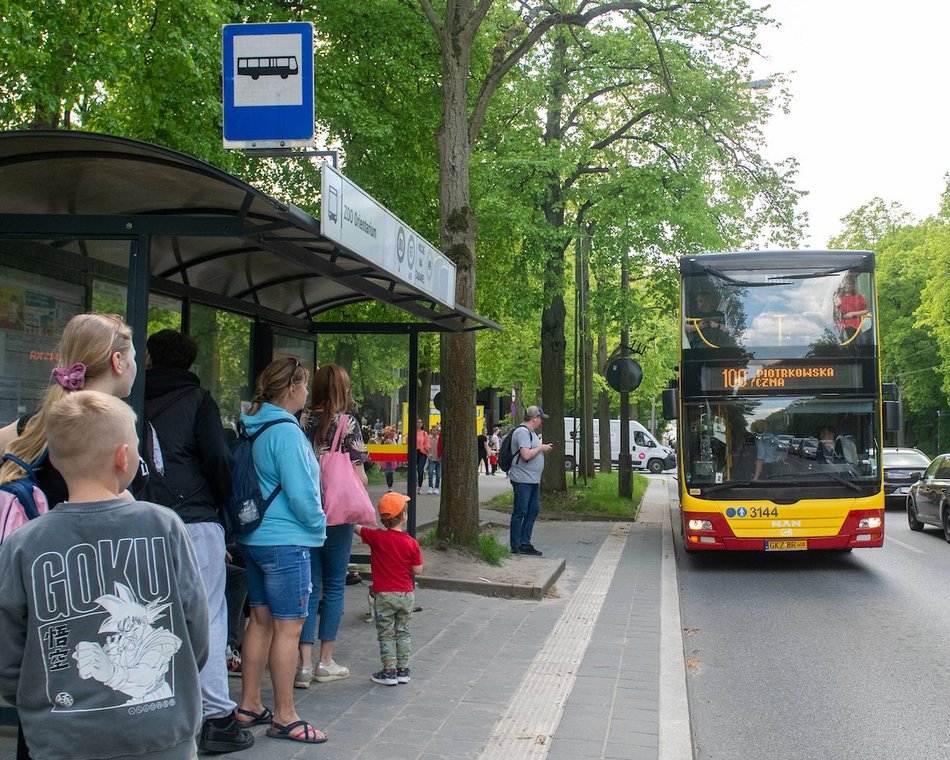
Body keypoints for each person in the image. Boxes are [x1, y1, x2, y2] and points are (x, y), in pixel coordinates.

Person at [0, 390, 209, 760]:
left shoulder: (22, 544)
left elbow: (8, 656)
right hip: (162, 734)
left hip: (62, 739)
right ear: (124, 456)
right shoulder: (164, 525)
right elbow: (196, 632)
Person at [0, 312, 139, 760]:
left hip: (43, 636)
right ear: (118, 362)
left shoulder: (20, 434)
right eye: (134, 356)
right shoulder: (118, 440)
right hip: (101, 628)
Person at [141, 329, 251, 753]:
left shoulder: (130, 397)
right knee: (208, 613)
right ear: (189, 362)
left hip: (141, 518)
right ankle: (216, 718)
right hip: (193, 518)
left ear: (150, 358)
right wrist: (221, 504)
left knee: (148, 617)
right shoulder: (198, 400)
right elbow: (218, 459)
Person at [234, 358, 328, 745]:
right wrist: (319, 526)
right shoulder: (287, 432)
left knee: (259, 621)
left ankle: (249, 704)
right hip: (286, 541)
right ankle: (286, 716)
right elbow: (302, 492)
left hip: (254, 538)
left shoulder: (254, 426)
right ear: (292, 388)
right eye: (304, 385)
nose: (307, 392)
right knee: (290, 627)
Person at [296, 364, 369, 689]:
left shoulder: (300, 419)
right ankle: (326, 661)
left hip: (306, 510)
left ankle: (303, 665)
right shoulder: (347, 423)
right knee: (335, 585)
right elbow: (360, 476)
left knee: (309, 586)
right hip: (337, 517)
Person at [354, 492, 423, 686]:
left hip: (383, 594)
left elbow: (358, 529)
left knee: (385, 633)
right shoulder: (411, 543)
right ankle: (403, 669)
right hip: (405, 594)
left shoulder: (376, 537)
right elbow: (418, 569)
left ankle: (389, 670)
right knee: (403, 631)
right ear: (404, 516)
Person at [508, 406, 553, 556]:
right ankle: (516, 544)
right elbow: (525, 455)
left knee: (533, 510)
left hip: (532, 480)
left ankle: (525, 543)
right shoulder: (522, 432)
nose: (541, 421)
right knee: (521, 511)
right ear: (535, 418)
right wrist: (541, 448)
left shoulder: (531, 433)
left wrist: (541, 447)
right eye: (540, 418)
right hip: (522, 479)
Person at [834, 275, 869, 340]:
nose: (846, 285)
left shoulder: (859, 297)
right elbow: (833, 315)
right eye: (844, 283)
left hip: (856, 328)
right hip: (841, 328)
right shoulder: (839, 298)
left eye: (848, 283)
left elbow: (866, 311)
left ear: (853, 285)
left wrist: (853, 313)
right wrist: (836, 305)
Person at [414, 418, 430, 494]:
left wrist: (428, 452)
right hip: (413, 452)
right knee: (413, 470)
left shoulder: (424, 433)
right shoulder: (412, 432)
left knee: (420, 470)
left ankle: (419, 487)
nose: (419, 423)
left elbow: (427, 444)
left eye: (421, 422)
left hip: (422, 453)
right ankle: (414, 485)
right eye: (418, 422)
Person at [426, 423, 442, 494]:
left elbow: (441, 448)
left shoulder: (440, 439)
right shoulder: (429, 438)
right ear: (431, 431)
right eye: (433, 430)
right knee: (430, 472)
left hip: (438, 458)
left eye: (436, 430)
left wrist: (441, 456)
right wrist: (428, 454)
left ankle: (437, 487)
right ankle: (430, 487)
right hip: (431, 458)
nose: (435, 431)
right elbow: (427, 447)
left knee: (438, 474)